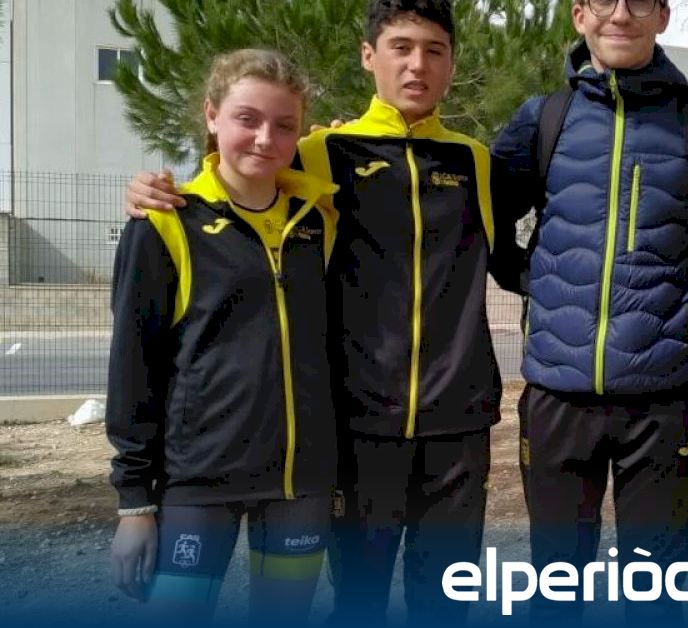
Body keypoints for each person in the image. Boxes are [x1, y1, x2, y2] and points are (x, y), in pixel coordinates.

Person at [121, 1, 506, 624]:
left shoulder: (477, 161)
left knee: (446, 601)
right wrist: (159, 191)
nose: (417, 65)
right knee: (358, 601)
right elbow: (240, 178)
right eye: (401, 47)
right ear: (368, 56)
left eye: (434, 50)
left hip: (458, 427)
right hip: (357, 426)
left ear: (452, 64)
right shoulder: (320, 151)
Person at [488, 0, 688, 621]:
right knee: (555, 592)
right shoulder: (544, 118)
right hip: (556, 396)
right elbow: (483, 218)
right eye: (603, 1)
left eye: (638, 1)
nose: (620, 14)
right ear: (579, 15)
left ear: (662, 16)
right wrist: (528, 277)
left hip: (661, 402)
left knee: (656, 595)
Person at [107, 48, 338, 623]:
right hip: (199, 480)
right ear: (211, 115)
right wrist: (134, 503)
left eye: (284, 125)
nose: (265, 138)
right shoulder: (165, 220)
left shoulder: (320, 220)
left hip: (299, 481)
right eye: (246, 119)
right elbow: (134, 364)